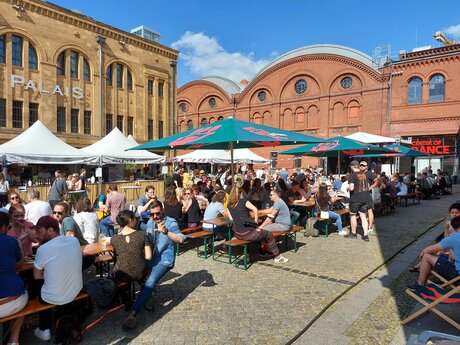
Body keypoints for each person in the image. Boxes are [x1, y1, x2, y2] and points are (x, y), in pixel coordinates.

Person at [123, 201, 185, 330]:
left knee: (150, 281)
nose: (155, 216)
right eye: (152, 214)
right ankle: (139, 296)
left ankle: (134, 312)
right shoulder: (150, 222)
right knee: (129, 268)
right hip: (151, 257)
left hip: (164, 260)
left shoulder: (171, 223)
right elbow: (146, 240)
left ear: (162, 210)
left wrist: (166, 232)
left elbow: (180, 239)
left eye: (158, 213)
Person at [32, 216, 83, 341]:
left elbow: (37, 277)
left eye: (39, 231)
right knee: (58, 280)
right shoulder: (74, 241)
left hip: (54, 297)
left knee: (35, 286)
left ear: (50, 230)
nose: (37, 235)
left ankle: (44, 328)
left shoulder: (42, 249)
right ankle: (67, 323)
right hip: (75, 290)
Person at [227, 179, 288, 263]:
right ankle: (277, 257)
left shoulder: (229, 205)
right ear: (240, 193)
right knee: (268, 234)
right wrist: (255, 222)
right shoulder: (243, 201)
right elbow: (255, 210)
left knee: (258, 235)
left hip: (237, 234)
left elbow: (231, 219)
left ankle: (250, 254)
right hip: (248, 234)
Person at [407, 216, 460, 291]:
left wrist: (423, 253)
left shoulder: (454, 237)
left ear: (453, 228)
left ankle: (420, 284)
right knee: (448, 253)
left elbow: (428, 250)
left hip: (457, 275)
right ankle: (439, 278)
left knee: (426, 256)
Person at [0, 212, 28, 345]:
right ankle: (13, 340)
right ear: (4, 227)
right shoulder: (10, 241)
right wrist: (19, 242)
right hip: (11, 302)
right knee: (26, 291)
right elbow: (19, 263)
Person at [110, 210, 152, 283]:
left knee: (111, 272)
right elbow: (149, 256)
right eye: (135, 218)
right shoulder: (142, 235)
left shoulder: (114, 239)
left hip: (122, 274)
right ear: (130, 220)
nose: (136, 220)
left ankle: (123, 293)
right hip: (140, 273)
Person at [345, 160, 372, 242]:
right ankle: (365, 235)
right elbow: (367, 186)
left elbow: (352, 188)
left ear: (352, 167)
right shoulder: (364, 174)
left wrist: (348, 188)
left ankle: (353, 233)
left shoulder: (352, 175)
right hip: (366, 198)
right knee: (363, 216)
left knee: (353, 216)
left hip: (355, 199)